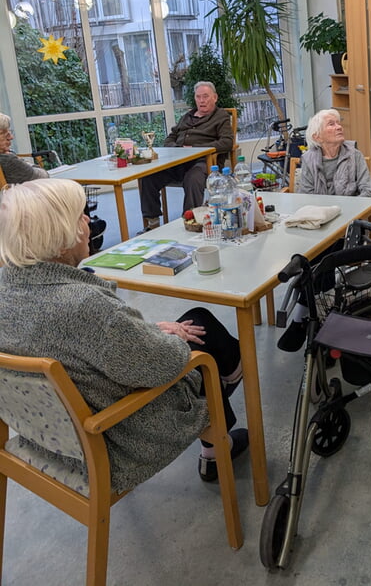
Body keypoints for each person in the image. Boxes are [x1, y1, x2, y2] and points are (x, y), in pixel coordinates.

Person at [0, 178, 248, 487]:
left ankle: (223, 398)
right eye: (80, 215)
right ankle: (223, 416)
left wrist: (147, 331)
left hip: (46, 436)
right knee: (201, 341)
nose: (88, 220)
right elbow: (163, 364)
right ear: (60, 238)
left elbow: (80, 346)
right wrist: (171, 338)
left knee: (195, 323)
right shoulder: (85, 305)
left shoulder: (7, 290)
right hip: (118, 438)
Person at [278, 108, 371, 351]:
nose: (339, 126)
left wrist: (347, 213)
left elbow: (369, 191)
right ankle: (319, 317)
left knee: (321, 258)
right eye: (331, 124)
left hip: (348, 229)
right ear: (317, 136)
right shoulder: (309, 160)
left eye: (338, 122)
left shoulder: (354, 156)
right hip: (317, 228)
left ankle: (301, 318)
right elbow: (304, 198)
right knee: (318, 253)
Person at [0, 112, 106, 253]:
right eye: (4, 134)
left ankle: (86, 231)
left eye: (9, 132)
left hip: (19, 201)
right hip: (29, 205)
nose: (10, 137)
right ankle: (87, 235)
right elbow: (41, 175)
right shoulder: (7, 160)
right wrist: (28, 164)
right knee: (75, 192)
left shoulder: (7, 156)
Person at [140, 81, 233, 230]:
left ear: (215, 98)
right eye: (198, 97)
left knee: (193, 178)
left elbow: (227, 143)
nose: (201, 101)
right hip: (179, 162)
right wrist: (177, 148)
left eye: (205, 96)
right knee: (148, 176)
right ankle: (152, 222)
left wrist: (196, 149)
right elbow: (169, 138)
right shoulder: (187, 116)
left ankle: (190, 221)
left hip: (204, 162)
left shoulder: (221, 116)